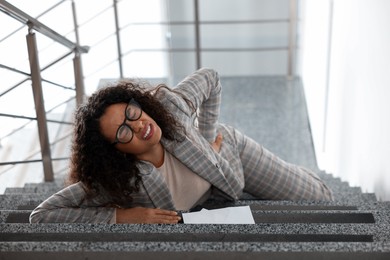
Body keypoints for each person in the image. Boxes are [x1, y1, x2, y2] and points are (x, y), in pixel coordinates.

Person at [29, 68, 333, 224]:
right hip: (216, 198)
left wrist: (205, 135)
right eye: (123, 132)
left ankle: (300, 171)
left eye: (131, 112)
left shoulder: (170, 107)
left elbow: (211, 78)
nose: (137, 125)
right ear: (114, 151)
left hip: (232, 158)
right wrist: (121, 216)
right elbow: (41, 215)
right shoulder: (116, 182)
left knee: (322, 198)